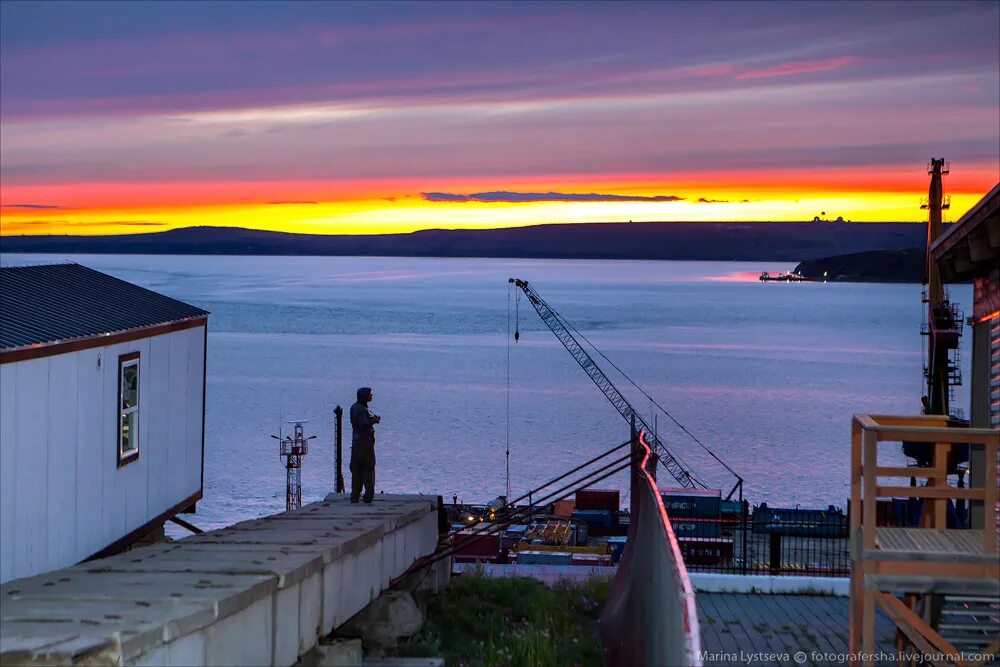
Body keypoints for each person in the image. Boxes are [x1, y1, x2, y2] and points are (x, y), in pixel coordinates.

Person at [349, 386, 380, 503]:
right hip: (365, 445)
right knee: (368, 469)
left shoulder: (354, 407)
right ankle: (368, 496)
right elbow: (364, 425)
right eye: (370, 394)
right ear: (364, 396)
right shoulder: (362, 409)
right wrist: (374, 420)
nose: (371, 396)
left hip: (356, 444)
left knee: (356, 470)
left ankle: (355, 495)